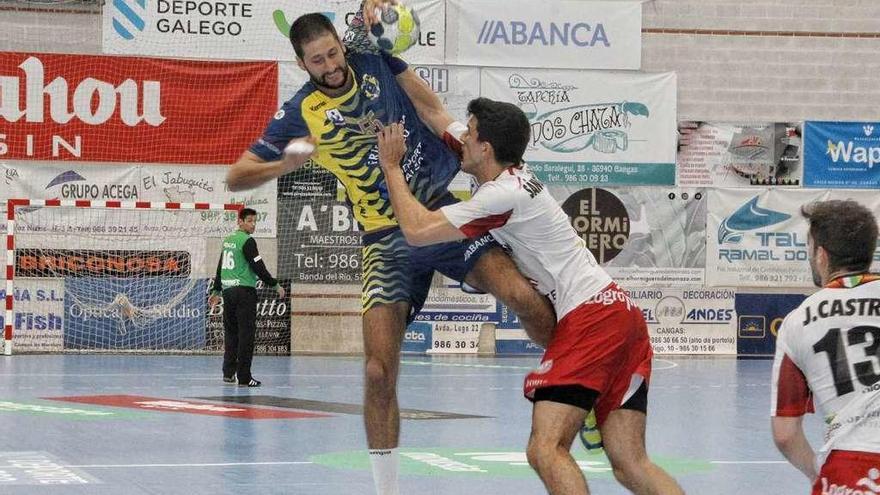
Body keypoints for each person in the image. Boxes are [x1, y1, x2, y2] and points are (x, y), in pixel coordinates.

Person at [224, 4, 556, 494]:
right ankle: (387, 490)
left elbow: (424, 102)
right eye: (317, 61)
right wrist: (295, 155)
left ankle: (577, 392)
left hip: (440, 213)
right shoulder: (302, 112)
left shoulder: (374, 57)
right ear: (301, 64)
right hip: (386, 239)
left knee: (526, 299)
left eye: (333, 53)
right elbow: (237, 176)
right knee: (378, 370)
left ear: (342, 43)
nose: (331, 66)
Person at [376, 98, 684, 494]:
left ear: (485, 148)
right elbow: (435, 112)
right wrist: (387, 57)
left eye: (469, 133)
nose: (463, 138)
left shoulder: (501, 195)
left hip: (592, 319)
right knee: (630, 463)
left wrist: (390, 166)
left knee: (546, 448)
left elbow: (417, 230)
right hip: (620, 312)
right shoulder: (508, 171)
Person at [771, 200, 880, 494]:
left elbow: (785, 434)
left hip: (852, 465)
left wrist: (816, 472)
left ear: (821, 255)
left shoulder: (797, 322)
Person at [209, 208, 285, 388]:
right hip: (244, 293)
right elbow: (259, 267)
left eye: (254, 221)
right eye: (249, 221)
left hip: (228, 292)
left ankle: (228, 374)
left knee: (231, 334)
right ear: (240, 222)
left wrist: (217, 290)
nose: (253, 224)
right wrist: (275, 284)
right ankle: (244, 377)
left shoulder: (228, 241)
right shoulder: (248, 241)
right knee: (246, 336)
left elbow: (220, 267)